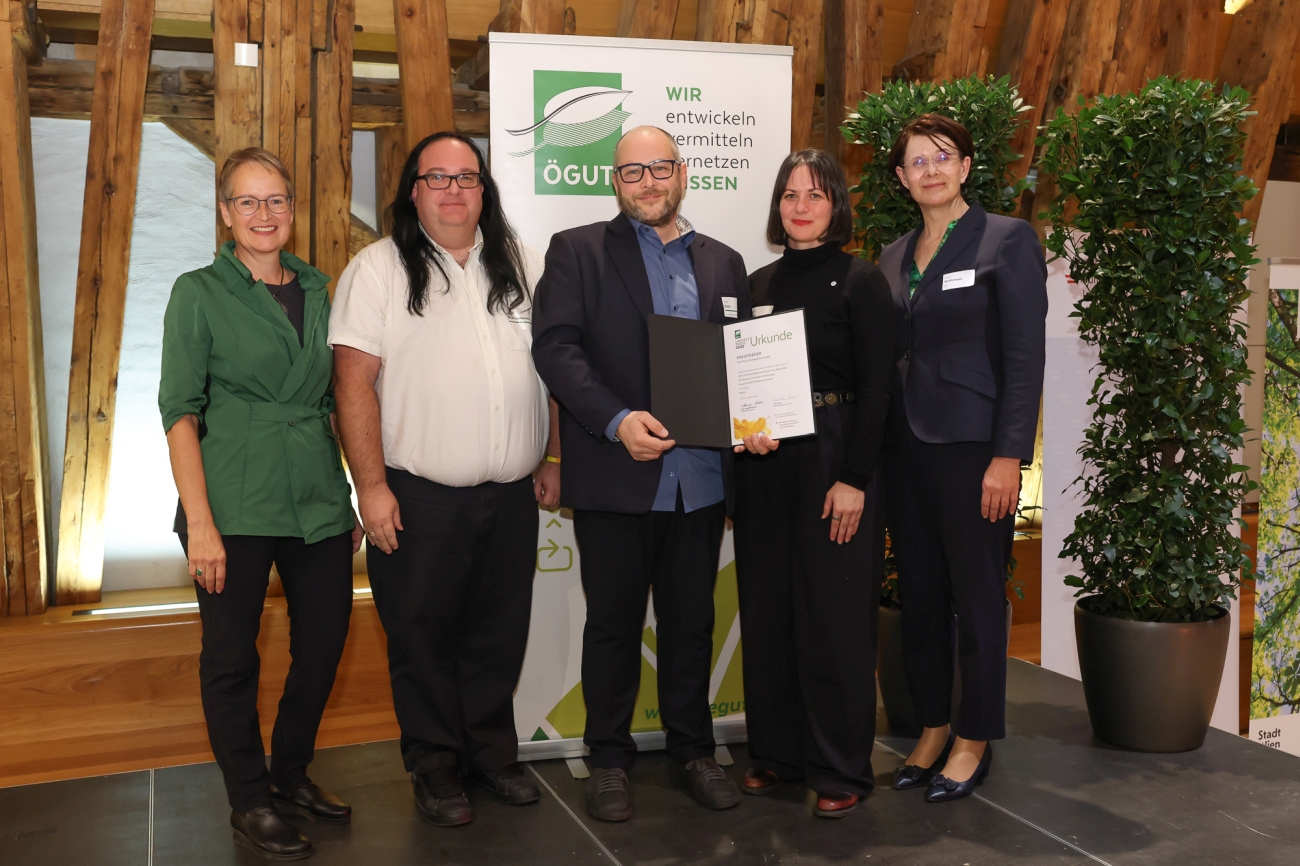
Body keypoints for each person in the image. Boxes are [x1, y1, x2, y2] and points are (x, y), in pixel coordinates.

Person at [330, 131, 560, 828]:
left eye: (467, 178)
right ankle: (435, 766)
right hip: (418, 495)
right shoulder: (376, 270)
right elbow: (352, 384)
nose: (455, 190)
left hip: (513, 493)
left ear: (483, 190)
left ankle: (491, 756)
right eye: (439, 178)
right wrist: (370, 488)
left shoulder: (522, 261)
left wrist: (552, 457)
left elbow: (554, 362)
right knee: (423, 636)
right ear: (413, 191)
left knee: (498, 632)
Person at [531, 126, 750, 822]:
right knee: (615, 627)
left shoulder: (725, 261)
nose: (648, 182)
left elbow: (742, 359)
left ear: (682, 173)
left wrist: (755, 415)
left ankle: (694, 750)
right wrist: (617, 419)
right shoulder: (578, 251)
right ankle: (609, 759)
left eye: (659, 168)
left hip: (702, 478)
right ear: (614, 181)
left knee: (692, 624)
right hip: (616, 476)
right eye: (632, 172)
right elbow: (556, 349)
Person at [160, 147, 361, 861]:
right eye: (248, 202)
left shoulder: (322, 287)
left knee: (326, 642)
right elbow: (180, 412)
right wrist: (201, 526)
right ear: (225, 213)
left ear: (292, 209)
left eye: (275, 200)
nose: (264, 215)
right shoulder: (197, 291)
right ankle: (249, 799)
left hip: (316, 500)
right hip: (232, 501)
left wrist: (352, 493)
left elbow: (341, 400)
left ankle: (290, 772)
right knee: (230, 659)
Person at [877, 114, 1047, 802]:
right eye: (916, 162)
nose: (930, 170)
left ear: (967, 166)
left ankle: (974, 737)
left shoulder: (1007, 240)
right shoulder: (890, 255)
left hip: (974, 451)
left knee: (976, 598)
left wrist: (1009, 457)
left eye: (942, 157)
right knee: (918, 597)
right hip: (904, 451)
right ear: (900, 178)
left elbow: (1023, 357)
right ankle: (931, 727)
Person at [731, 150, 896, 818]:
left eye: (816, 194)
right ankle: (777, 754)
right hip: (767, 464)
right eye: (790, 194)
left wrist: (855, 478)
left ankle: (840, 769)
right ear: (777, 206)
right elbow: (741, 380)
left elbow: (879, 387)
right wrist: (744, 430)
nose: (801, 205)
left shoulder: (862, 282)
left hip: (836, 461)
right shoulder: (757, 281)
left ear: (836, 206)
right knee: (768, 612)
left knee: (833, 619)